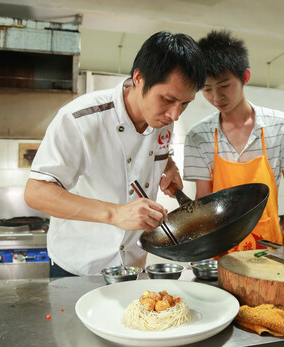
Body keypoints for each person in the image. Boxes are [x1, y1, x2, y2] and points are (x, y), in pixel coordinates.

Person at [24, 31, 206, 276]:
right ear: (139, 78)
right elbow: (36, 192)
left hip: (132, 266)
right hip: (79, 267)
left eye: (185, 104)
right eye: (168, 99)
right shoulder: (80, 119)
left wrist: (168, 165)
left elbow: (155, 150)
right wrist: (115, 213)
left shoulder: (163, 119)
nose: (175, 115)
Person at [184, 30, 284, 253]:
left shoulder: (280, 126)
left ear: (245, 77)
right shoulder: (197, 136)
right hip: (220, 250)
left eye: (224, 86)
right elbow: (203, 201)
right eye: (207, 89)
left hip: (269, 247)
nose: (216, 97)